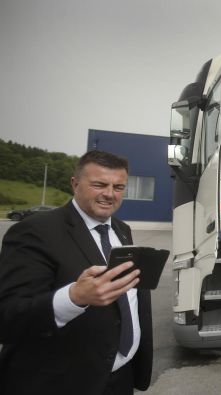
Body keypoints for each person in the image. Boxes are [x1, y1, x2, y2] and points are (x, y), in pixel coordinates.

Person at [0, 150, 153, 395]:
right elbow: (8, 317)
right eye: (99, 184)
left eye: (119, 187)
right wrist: (73, 298)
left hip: (121, 377)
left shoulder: (122, 230)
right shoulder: (34, 231)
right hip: (64, 383)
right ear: (75, 184)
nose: (109, 194)